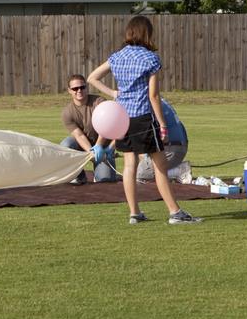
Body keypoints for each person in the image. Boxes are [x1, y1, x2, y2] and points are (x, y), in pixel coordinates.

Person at [87, 15, 200, 225]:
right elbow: (153, 96)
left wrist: (113, 93)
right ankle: (175, 212)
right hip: (144, 118)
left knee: (130, 165)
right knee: (160, 166)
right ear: (147, 33)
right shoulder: (151, 59)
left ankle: (134, 213)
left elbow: (92, 77)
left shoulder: (117, 57)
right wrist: (163, 125)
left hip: (123, 119)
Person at [59, 73, 117, 183]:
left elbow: (106, 127)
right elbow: (79, 135)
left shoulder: (100, 102)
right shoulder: (67, 113)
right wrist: (92, 152)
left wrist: (99, 146)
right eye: (75, 88)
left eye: (82, 87)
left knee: (105, 180)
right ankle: (79, 175)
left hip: (104, 146)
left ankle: (100, 172)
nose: (79, 90)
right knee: (66, 145)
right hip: (84, 145)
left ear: (87, 87)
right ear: (69, 91)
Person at [134, 98, 187, 182]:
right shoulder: (161, 101)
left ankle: (177, 171)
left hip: (170, 149)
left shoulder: (146, 105)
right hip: (179, 146)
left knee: (139, 175)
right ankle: (174, 169)